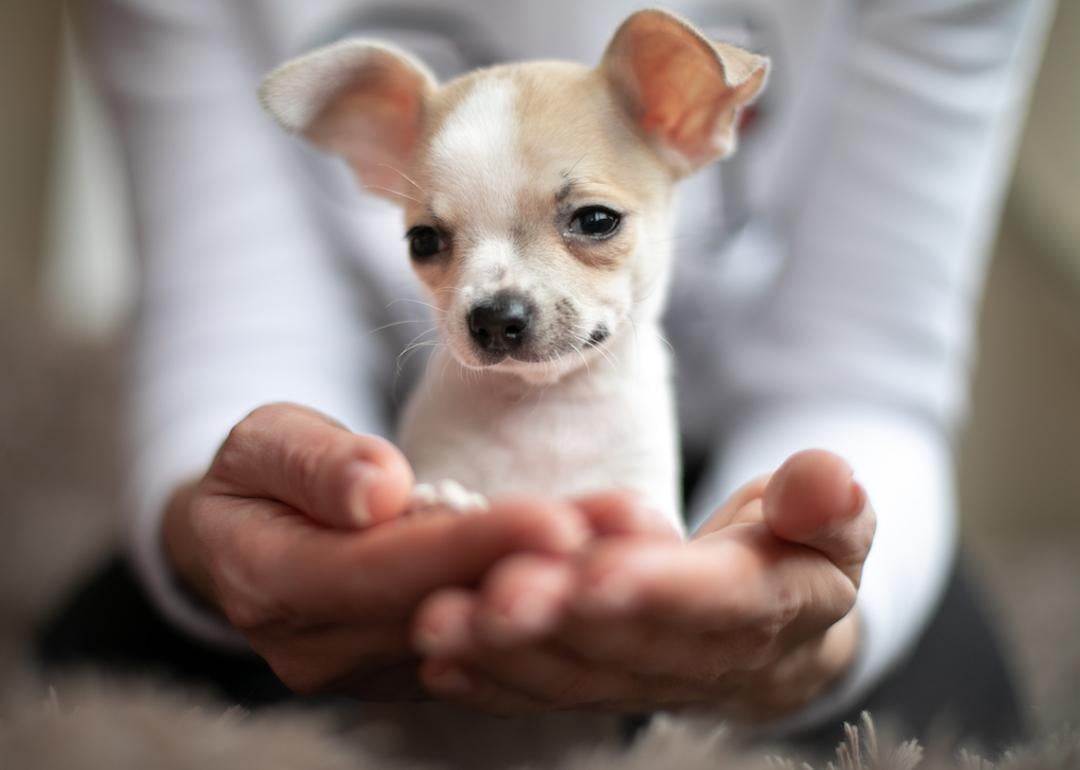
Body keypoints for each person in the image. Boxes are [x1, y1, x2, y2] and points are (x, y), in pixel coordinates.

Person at [43, 0, 1052, 759]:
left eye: (589, 223)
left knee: (961, 694)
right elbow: (232, 325)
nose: (495, 299)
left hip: (730, 464)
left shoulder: (658, 103)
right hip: (374, 463)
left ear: (689, 115)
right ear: (376, 145)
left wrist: (802, 636)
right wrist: (258, 527)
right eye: (435, 241)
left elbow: (868, 367)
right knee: (97, 657)